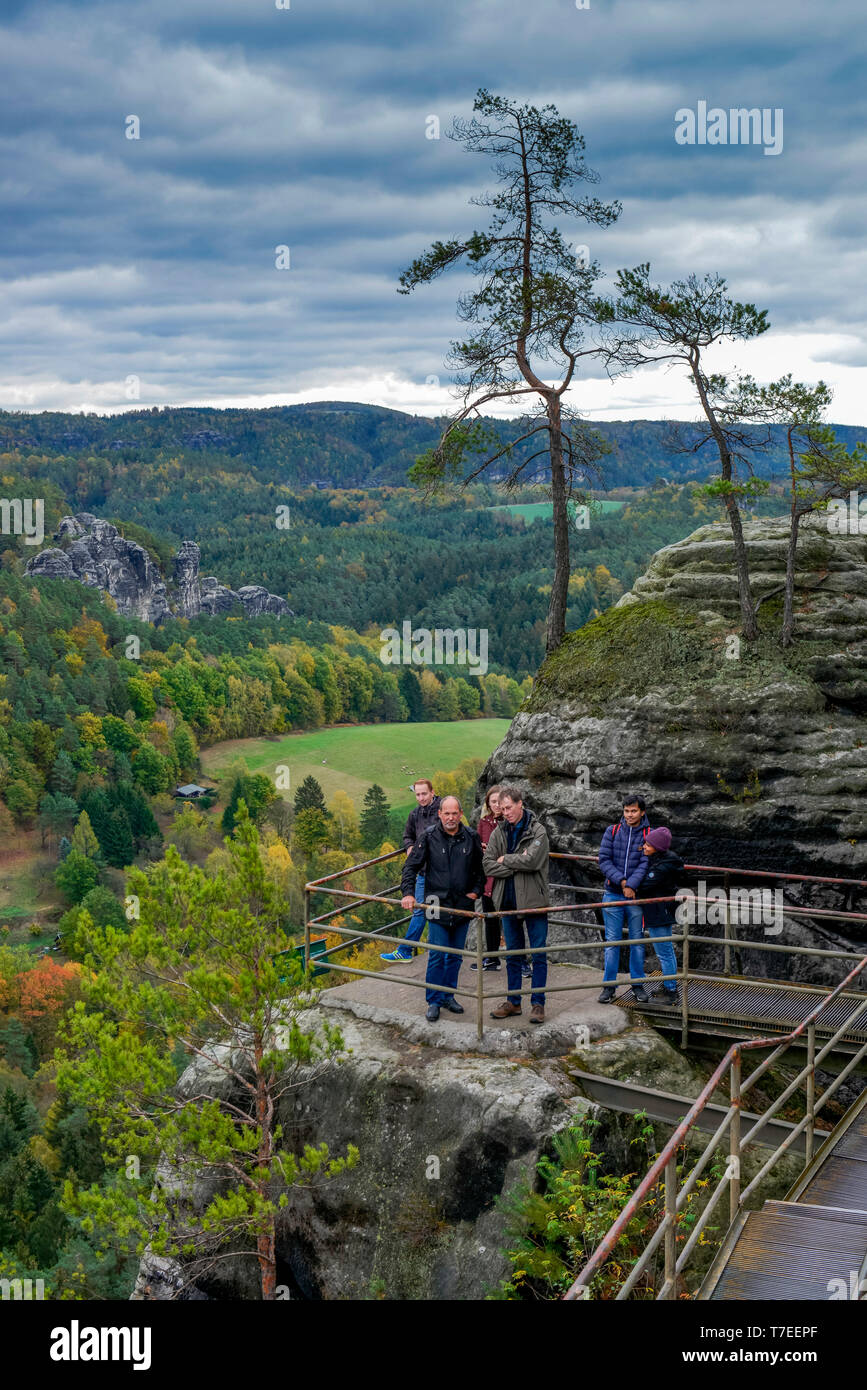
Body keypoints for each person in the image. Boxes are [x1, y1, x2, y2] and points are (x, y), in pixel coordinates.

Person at [400, 796, 484, 1022]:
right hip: (435, 903)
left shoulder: (471, 837)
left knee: (455, 956)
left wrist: (474, 891)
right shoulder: (428, 837)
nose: (450, 817)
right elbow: (410, 867)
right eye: (446, 813)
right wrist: (408, 893)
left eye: (454, 813)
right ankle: (434, 1001)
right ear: (440, 814)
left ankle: (449, 996)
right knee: (437, 954)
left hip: (462, 906)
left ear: (461, 813)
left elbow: (480, 870)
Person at [483, 786, 550, 1025]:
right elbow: (488, 864)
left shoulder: (538, 830)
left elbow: (532, 861)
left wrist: (506, 859)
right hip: (508, 902)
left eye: (509, 807)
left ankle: (538, 1003)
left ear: (520, 803)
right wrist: (516, 861)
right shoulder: (499, 832)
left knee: (538, 953)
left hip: (533, 901)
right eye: (502, 809)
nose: (506, 813)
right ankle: (513, 1002)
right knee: (512, 954)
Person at [597, 795, 651, 1004]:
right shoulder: (612, 831)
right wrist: (621, 882)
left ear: (642, 812)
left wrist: (631, 885)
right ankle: (609, 987)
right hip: (612, 893)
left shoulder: (649, 834)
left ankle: (638, 986)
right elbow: (604, 859)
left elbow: (646, 863)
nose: (629, 815)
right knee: (612, 942)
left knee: (637, 942)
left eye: (634, 811)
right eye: (626, 811)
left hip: (636, 896)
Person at [381, 778, 441, 962]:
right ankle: (411, 950)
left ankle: (433, 950)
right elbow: (407, 835)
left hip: (440, 873)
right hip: (423, 871)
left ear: (432, 792)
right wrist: (409, 847)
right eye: (418, 794)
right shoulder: (415, 815)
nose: (421, 798)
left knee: (436, 912)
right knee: (422, 910)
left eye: (424, 793)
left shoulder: (442, 811)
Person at [637, 827, 683, 1004]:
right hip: (662, 910)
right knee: (666, 951)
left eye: (648, 844)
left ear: (657, 846)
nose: (645, 846)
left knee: (664, 952)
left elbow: (645, 885)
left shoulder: (662, 866)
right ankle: (669, 984)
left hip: (658, 911)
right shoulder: (663, 860)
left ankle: (671, 991)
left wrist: (635, 883)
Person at [473, 786, 504, 971]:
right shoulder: (484, 822)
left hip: (506, 878)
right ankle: (492, 959)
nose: (497, 805)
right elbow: (478, 848)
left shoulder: (510, 822)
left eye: (500, 801)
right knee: (490, 920)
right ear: (488, 804)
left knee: (513, 921)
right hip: (488, 879)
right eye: (493, 802)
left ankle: (522, 962)